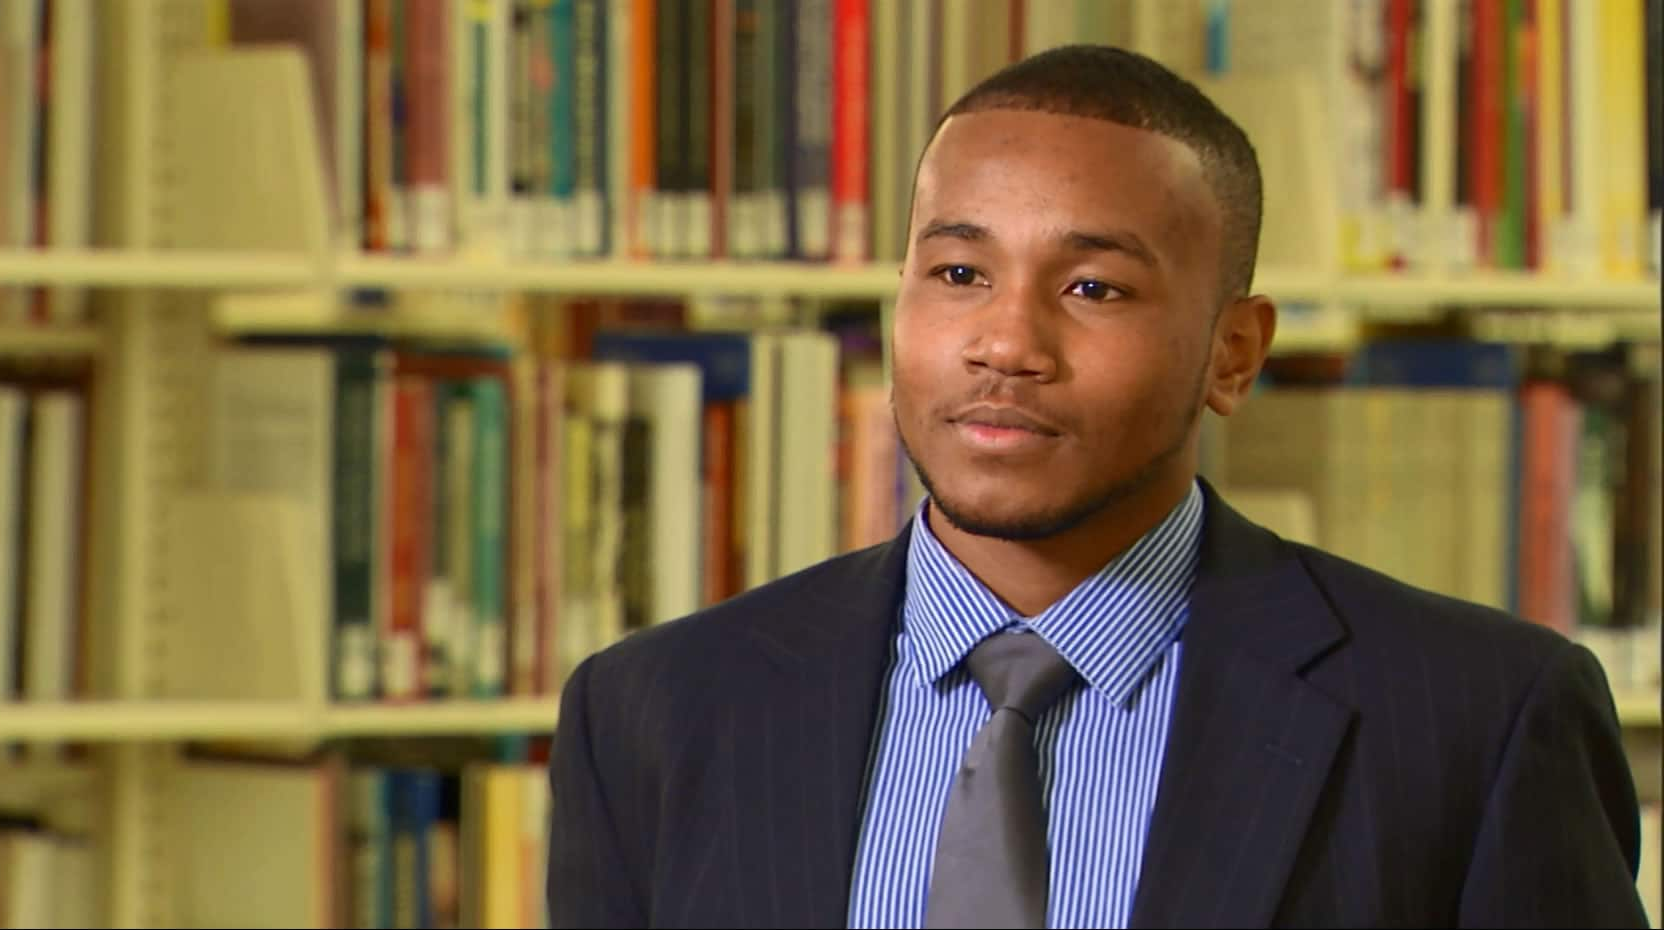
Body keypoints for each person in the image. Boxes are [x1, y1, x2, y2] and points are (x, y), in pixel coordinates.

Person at [546, 44, 1649, 929]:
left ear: (1233, 353)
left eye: (1093, 286)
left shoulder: (1481, 719)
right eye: (960, 273)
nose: (1005, 342)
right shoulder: (655, 711)